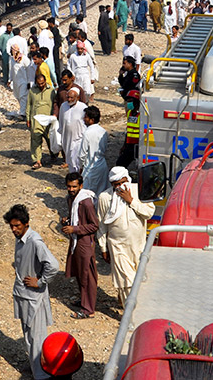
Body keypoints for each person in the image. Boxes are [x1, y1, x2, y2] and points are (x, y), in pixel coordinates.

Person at [4, 204, 59, 380]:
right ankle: (35, 368)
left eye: (17, 226)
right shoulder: (19, 239)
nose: (14, 229)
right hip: (23, 295)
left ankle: (42, 375)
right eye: (12, 226)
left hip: (34, 297)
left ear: (26, 224)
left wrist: (40, 281)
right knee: (28, 335)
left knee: (37, 337)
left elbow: (53, 266)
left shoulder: (35, 241)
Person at [97, 167, 155, 306]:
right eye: (115, 184)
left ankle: (129, 303)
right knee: (126, 281)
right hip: (118, 246)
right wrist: (103, 248)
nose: (119, 187)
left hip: (138, 245)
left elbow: (149, 213)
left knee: (139, 279)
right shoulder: (105, 197)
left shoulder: (138, 191)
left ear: (128, 179)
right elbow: (102, 226)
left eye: (122, 182)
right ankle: (131, 314)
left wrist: (131, 201)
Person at [61, 172, 98, 319]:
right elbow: (76, 218)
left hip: (84, 243)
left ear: (81, 186)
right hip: (76, 241)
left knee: (87, 276)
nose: (71, 189)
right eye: (69, 186)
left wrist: (75, 229)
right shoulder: (71, 199)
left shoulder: (86, 202)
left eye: (74, 186)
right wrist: (68, 221)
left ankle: (88, 310)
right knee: (79, 272)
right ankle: (84, 300)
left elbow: (94, 225)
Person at [27, 73, 56, 170]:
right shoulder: (32, 91)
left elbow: (55, 105)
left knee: (50, 140)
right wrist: (28, 119)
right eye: (39, 83)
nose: (41, 85)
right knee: (35, 141)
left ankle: (54, 154)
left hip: (48, 121)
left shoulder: (51, 91)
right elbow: (29, 106)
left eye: (42, 83)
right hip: (36, 121)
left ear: (45, 82)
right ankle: (37, 160)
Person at [79, 105, 110, 196]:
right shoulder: (103, 131)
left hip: (90, 167)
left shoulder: (87, 133)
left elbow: (82, 155)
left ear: (91, 120)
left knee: (88, 194)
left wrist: (81, 167)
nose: (84, 119)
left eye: (86, 117)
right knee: (101, 192)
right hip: (102, 165)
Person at [59, 88, 87, 172]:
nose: (69, 100)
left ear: (77, 98)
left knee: (77, 160)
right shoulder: (63, 106)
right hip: (67, 138)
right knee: (70, 159)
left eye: (71, 98)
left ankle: (78, 178)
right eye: (68, 97)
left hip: (78, 139)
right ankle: (73, 176)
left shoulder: (83, 108)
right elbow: (61, 120)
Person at [9, 45, 31, 119]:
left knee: (23, 96)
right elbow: (11, 69)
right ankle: (23, 110)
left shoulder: (24, 59)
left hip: (23, 80)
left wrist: (29, 81)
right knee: (17, 95)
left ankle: (23, 113)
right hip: (16, 81)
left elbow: (29, 69)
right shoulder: (12, 59)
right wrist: (10, 79)